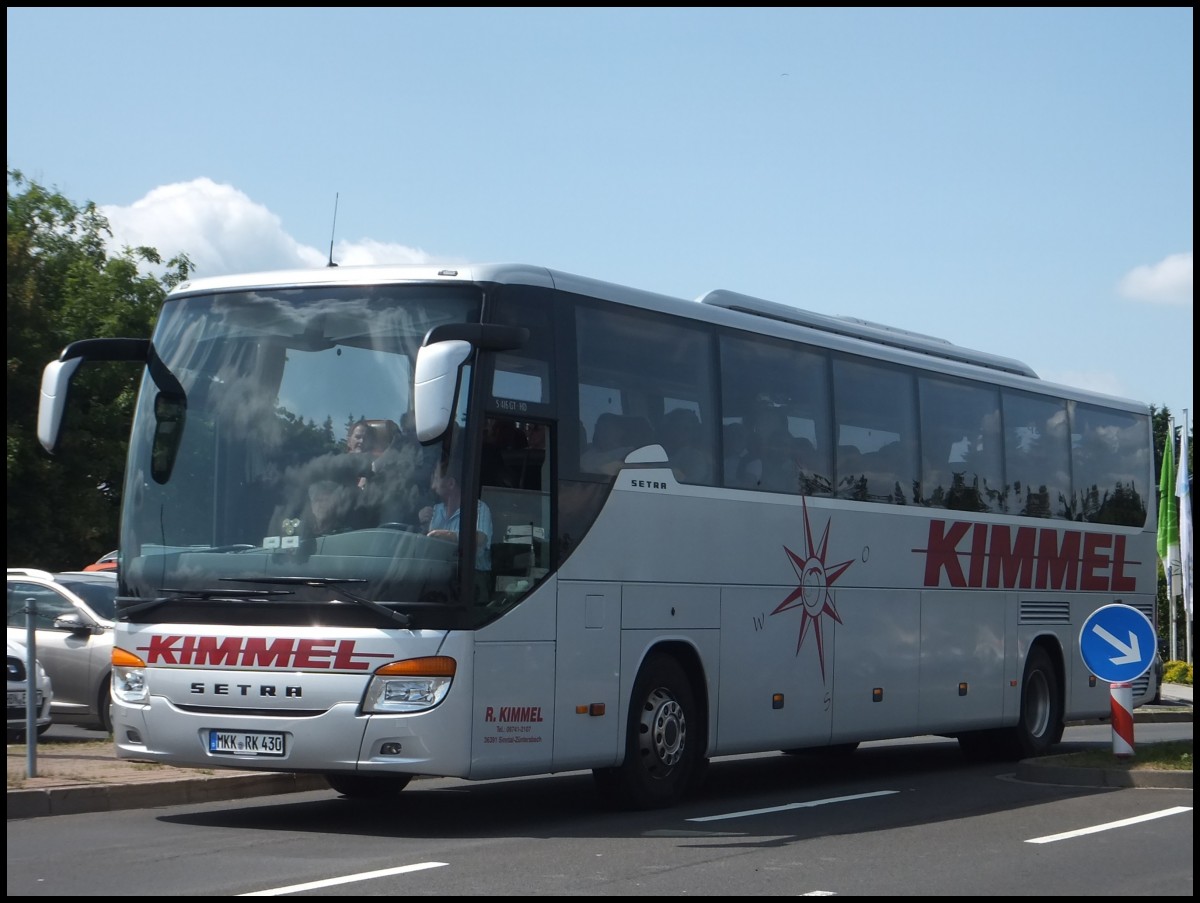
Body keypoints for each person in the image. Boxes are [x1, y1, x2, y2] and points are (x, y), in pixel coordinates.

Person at [418, 457, 493, 571]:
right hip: (437, 575)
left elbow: (480, 538)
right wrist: (422, 525)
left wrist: (448, 536)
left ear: (451, 484)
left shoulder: (479, 508)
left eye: (436, 480)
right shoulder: (434, 511)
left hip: (471, 578)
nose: (433, 486)